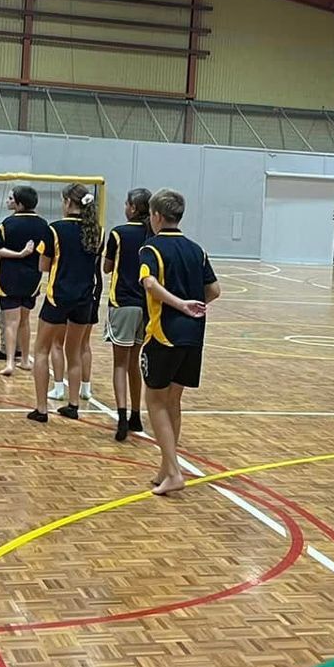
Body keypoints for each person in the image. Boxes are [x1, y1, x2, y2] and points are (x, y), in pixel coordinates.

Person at [138, 188, 219, 495]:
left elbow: (149, 283)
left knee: (155, 401)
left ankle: (174, 471)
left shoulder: (151, 249)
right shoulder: (197, 250)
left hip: (163, 335)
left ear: (157, 216)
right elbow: (214, 290)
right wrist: (194, 306)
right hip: (193, 336)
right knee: (173, 401)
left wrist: (180, 304)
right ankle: (165, 466)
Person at [28, 183, 102, 423]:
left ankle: (41, 408)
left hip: (57, 297)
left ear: (68, 202)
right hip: (84, 299)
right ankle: (73, 404)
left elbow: (43, 265)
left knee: (41, 350)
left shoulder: (55, 229)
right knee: (75, 352)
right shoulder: (96, 231)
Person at [103, 187, 153, 441]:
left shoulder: (118, 234)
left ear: (132, 208)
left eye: (126, 203)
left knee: (120, 364)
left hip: (122, 303)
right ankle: (136, 415)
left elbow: (107, 267)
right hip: (147, 307)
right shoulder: (152, 234)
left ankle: (121, 416)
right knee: (135, 363)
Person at [0, 185, 48, 377]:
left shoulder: (8, 224)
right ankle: (25, 359)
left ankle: (10, 363)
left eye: (11, 198)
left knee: (11, 322)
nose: (8, 201)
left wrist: (18, 254)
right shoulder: (44, 225)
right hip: (32, 278)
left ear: (20, 204)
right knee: (25, 320)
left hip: (9, 277)